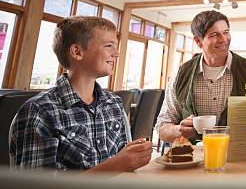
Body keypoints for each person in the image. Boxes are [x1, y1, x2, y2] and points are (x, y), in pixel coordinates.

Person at [10, 16, 152, 172]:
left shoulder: (114, 104)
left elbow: (126, 169)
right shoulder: (39, 111)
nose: (116, 54)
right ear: (77, 51)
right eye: (109, 46)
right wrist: (115, 166)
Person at [156, 10, 246, 143]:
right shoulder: (181, 74)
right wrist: (178, 130)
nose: (224, 39)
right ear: (198, 41)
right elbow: (162, 127)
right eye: (215, 35)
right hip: (194, 158)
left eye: (226, 32)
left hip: (239, 158)